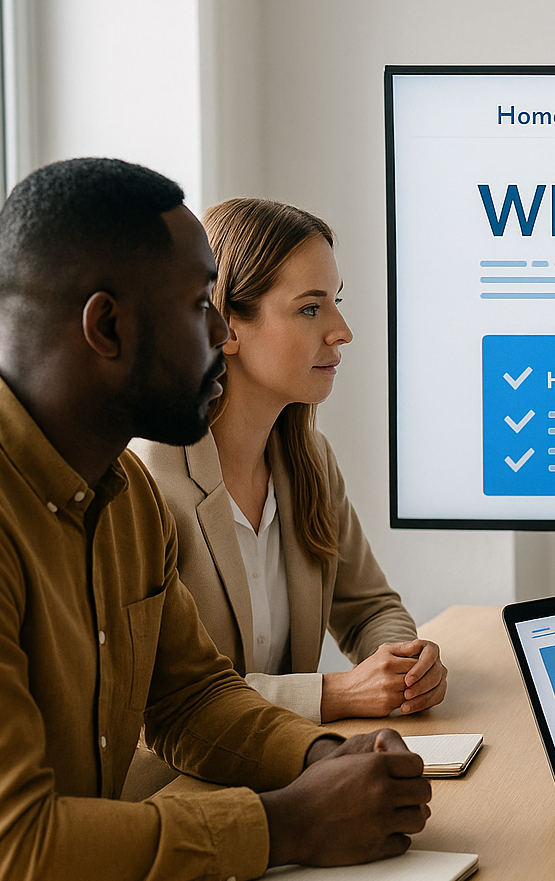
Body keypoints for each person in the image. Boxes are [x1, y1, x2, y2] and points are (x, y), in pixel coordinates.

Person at [0, 157, 432, 881]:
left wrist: (323, 760)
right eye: (198, 307)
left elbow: (190, 698)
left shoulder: (123, 492)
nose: (222, 334)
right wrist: (285, 824)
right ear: (107, 327)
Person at [134, 198, 445, 725]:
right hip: (183, 789)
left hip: (286, 772)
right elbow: (163, 699)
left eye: (336, 302)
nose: (342, 329)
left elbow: (371, 608)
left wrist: (404, 666)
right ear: (226, 326)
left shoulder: (308, 461)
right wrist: (337, 693)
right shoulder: (148, 481)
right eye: (310, 307)